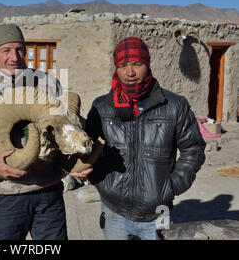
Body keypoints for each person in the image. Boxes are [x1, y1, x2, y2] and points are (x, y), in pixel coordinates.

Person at [0, 24, 90, 240]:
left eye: (19, 49)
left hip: (49, 192)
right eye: (6, 50)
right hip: (6, 196)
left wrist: (76, 162)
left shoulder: (48, 85)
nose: (15, 57)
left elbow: (64, 132)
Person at [84, 37, 206, 240]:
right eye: (123, 66)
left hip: (158, 212)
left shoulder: (174, 105)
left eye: (137, 65)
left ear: (147, 64)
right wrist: (99, 180)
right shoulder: (102, 107)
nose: (130, 72)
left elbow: (193, 148)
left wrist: (172, 186)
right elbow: (86, 147)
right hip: (114, 211)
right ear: (116, 69)